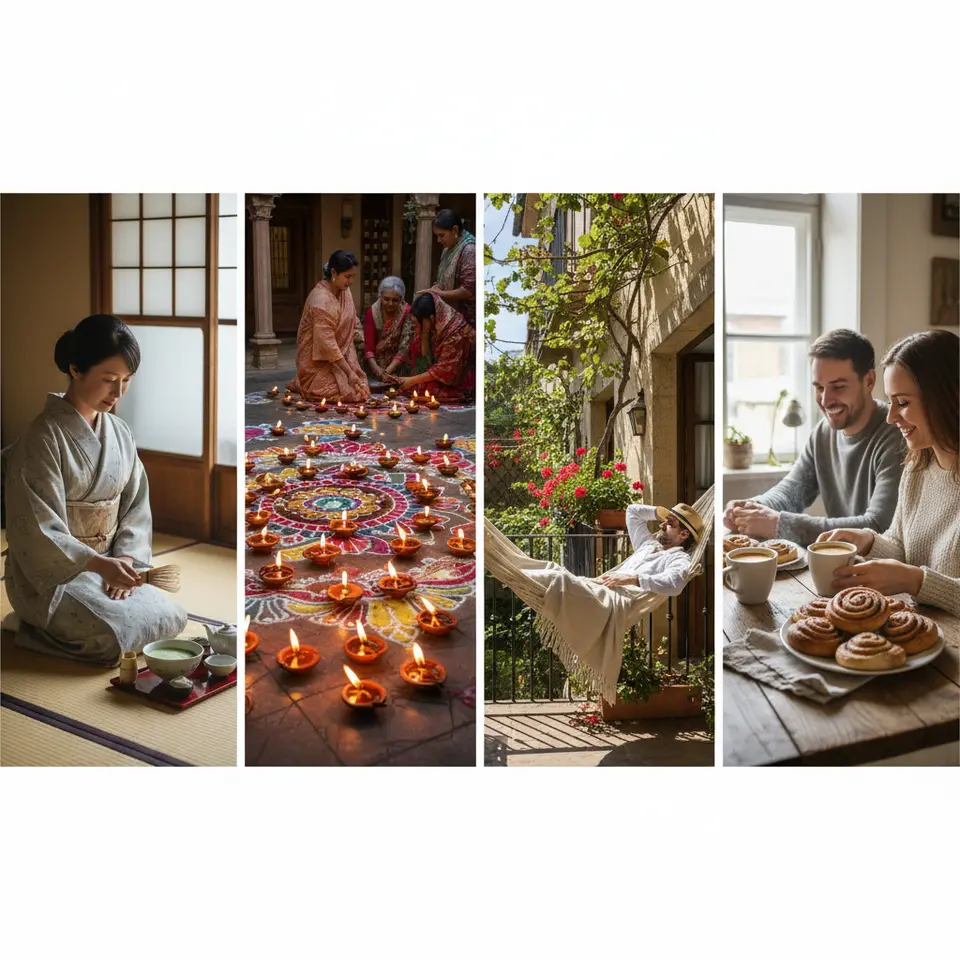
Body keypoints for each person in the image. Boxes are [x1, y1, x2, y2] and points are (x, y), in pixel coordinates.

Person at [3, 315, 188, 664]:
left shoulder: (120, 432)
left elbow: (136, 506)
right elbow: (38, 530)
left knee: (172, 617)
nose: (118, 392)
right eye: (108, 380)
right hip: (55, 576)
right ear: (75, 369)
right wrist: (98, 566)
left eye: (126, 381)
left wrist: (124, 559)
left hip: (112, 568)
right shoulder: (42, 438)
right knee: (111, 639)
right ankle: (29, 623)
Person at [817, 329, 959, 616]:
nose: (891, 417)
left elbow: (910, 573)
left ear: (946, 398)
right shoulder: (918, 468)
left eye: (903, 403)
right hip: (923, 633)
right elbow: (901, 546)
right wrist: (867, 541)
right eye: (890, 401)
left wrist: (914, 580)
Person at [723, 329, 905, 547]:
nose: (826, 401)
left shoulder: (896, 434)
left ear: (869, 381)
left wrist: (777, 524)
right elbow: (792, 493)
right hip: (838, 565)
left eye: (838, 387)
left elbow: (878, 526)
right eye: (819, 388)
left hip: (883, 573)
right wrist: (751, 507)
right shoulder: (822, 433)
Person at [287, 250, 370, 402]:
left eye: (353, 276)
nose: (350, 281)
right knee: (350, 394)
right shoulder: (321, 300)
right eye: (347, 276)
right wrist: (348, 372)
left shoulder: (344, 291)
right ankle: (303, 382)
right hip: (316, 364)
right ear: (333, 272)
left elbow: (351, 320)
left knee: (362, 388)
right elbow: (327, 344)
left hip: (339, 358)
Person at [596, 502, 702, 596]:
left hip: (614, 597)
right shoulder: (647, 543)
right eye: (664, 521)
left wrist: (633, 580)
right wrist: (658, 513)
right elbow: (632, 511)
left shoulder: (679, 558)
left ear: (683, 534)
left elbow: (674, 583)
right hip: (600, 586)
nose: (661, 525)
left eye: (669, 523)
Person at [396, 292, 475, 402]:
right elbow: (423, 358)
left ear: (432, 318)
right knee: (417, 387)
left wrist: (412, 380)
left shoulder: (456, 334)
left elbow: (445, 369)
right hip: (437, 372)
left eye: (419, 324)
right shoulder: (429, 324)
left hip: (455, 378)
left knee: (426, 390)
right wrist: (424, 334)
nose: (417, 328)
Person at [416, 208, 476, 328]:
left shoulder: (470, 250)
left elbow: (467, 291)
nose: (438, 240)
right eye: (437, 236)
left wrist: (440, 293)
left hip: (464, 322)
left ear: (454, 230)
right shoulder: (447, 251)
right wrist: (435, 288)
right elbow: (442, 280)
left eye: (441, 235)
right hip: (448, 316)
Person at [362, 276, 413, 382]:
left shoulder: (407, 312)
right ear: (380, 296)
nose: (390, 303)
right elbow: (368, 346)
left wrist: (388, 371)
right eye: (386, 299)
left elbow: (405, 346)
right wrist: (377, 370)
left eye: (395, 300)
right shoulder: (372, 312)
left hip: (400, 367)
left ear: (401, 299)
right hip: (375, 366)